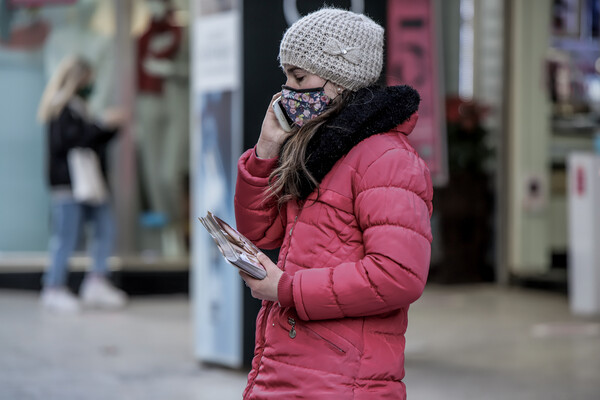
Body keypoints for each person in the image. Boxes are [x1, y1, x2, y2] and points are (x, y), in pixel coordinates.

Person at [234, 8, 433, 399]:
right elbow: (261, 230)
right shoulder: (318, 150)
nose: (286, 91)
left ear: (340, 80)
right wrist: (267, 149)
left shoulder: (386, 158)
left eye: (299, 77)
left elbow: (398, 275)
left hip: (343, 380)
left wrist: (287, 289)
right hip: (295, 367)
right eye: (286, 75)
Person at [37, 55, 128, 313]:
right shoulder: (60, 109)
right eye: (88, 80)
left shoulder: (79, 108)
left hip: (89, 185)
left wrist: (110, 127)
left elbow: (91, 140)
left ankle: (96, 281)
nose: (92, 85)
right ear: (77, 80)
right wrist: (101, 124)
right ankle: (53, 287)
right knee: (65, 237)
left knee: (104, 227)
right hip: (68, 186)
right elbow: (71, 140)